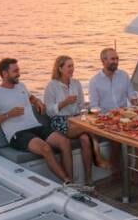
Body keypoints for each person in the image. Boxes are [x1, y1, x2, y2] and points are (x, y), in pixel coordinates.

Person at [0, 58, 72, 183]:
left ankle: (73, 182)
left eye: (18, 70)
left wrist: (37, 101)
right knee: (45, 148)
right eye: (15, 71)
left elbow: (30, 97)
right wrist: (8, 115)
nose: (19, 73)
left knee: (64, 142)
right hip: (18, 133)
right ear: (4, 74)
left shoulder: (21, 86)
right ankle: (67, 182)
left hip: (35, 126)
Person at [43, 55, 102, 184]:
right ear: (60, 68)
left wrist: (85, 111)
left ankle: (88, 179)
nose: (72, 69)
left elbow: (81, 105)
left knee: (85, 139)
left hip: (76, 119)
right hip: (59, 120)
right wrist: (64, 103)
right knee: (91, 128)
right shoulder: (51, 86)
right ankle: (97, 156)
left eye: (73, 66)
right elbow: (48, 111)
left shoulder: (76, 83)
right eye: (69, 66)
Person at [88, 48, 138, 177]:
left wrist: (135, 101)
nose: (115, 62)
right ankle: (117, 172)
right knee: (116, 138)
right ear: (103, 60)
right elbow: (94, 106)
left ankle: (137, 172)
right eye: (112, 59)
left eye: (117, 59)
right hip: (107, 119)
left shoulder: (124, 75)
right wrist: (108, 117)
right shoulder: (94, 81)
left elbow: (131, 95)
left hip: (125, 116)